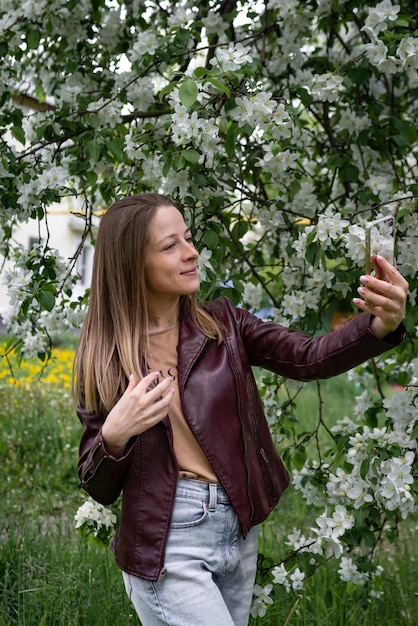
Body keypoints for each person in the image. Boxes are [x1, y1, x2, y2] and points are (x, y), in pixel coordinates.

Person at [74, 193, 408, 626]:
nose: (192, 252)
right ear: (131, 263)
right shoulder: (103, 358)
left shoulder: (224, 324)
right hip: (167, 541)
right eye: (170, 245)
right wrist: (115, 435)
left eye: (189, 239)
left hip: (238, 530)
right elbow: (96, 483)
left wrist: (380, 325)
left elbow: (307, 356)